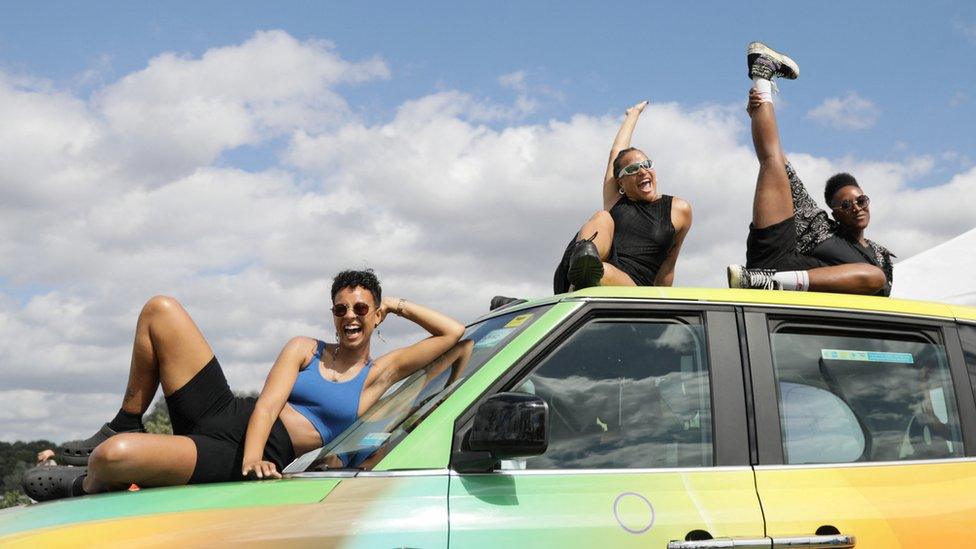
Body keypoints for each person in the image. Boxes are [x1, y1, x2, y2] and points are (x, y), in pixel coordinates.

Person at [22, 269, 464, 501]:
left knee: (113, 459)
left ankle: (83, 483)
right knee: (161, 309)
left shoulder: (378, 375)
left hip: (244, 455)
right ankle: (125, 421)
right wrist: (252, 453)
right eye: (341, 308)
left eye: (361, 308)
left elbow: (452, 333)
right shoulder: (304, 347)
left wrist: (397, 303)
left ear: (375, 315)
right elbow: (269, 405)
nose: (350, 315)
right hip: (230, 416)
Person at [727, 42, 894, 295]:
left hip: (814, 299)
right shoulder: (818, 227)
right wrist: (760, 114)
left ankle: (771, 281)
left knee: (874, 276)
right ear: (835, 214)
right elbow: (777, 156)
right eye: (846, 205)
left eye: (861, 200)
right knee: (773, 161)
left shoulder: (880, 257)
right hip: (771, 262)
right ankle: (762, 72)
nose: (857, 207)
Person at [553, 100, 693, 293]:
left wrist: (663, 304)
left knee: (602, 272)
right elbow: (615, 153)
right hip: (591, 268)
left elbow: (669, 263)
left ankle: (578, 283)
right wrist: (633, 114)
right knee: (602, 217)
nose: (642, 171)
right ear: (620, 182)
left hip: (633, 284)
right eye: (633, 169)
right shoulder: (616, 200)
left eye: (646, 164)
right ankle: (583, 263)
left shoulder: (679, 209)